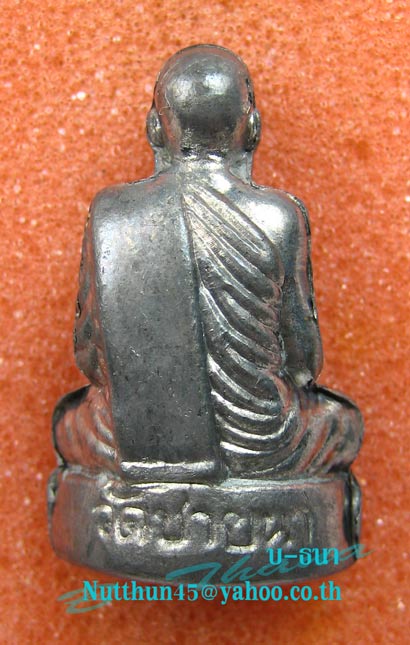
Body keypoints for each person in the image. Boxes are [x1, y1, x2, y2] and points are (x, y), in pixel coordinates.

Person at [54, 45, 363, 480]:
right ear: (252, 128)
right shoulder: (278, 217)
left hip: (125, 442)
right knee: (341, 425)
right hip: (261, 443)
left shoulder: (112, 214)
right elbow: (303, 362)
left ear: (154, 128)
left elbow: (88, 355)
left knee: (71, 424)